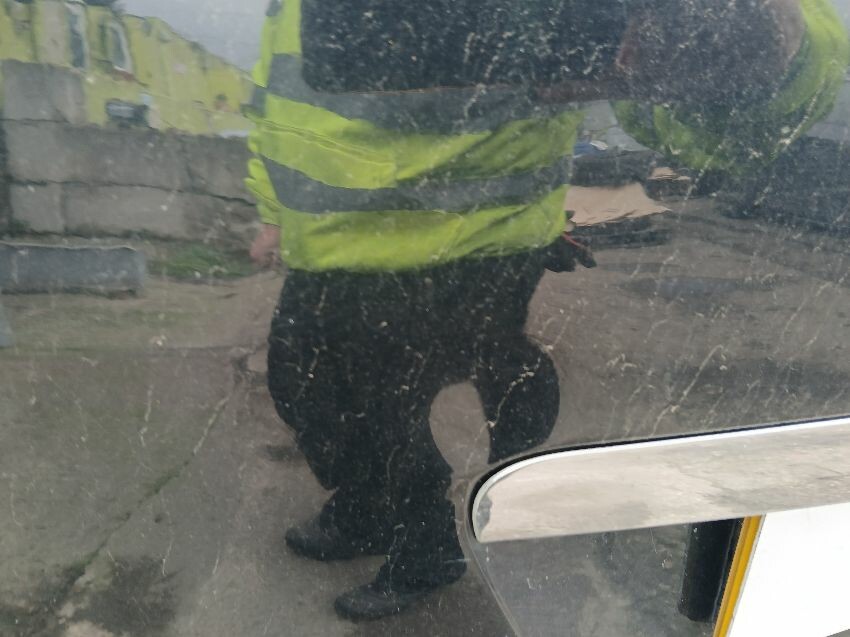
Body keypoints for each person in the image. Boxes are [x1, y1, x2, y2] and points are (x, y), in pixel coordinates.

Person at [246, 0, 848, 620]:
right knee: (305, 390)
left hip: (465, 240)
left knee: (389, 413)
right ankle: (369, 507)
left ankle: (425, 549)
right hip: (327, 243)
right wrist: (272, 206)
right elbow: (277, 91)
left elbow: (701, 114)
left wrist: (770, 46)